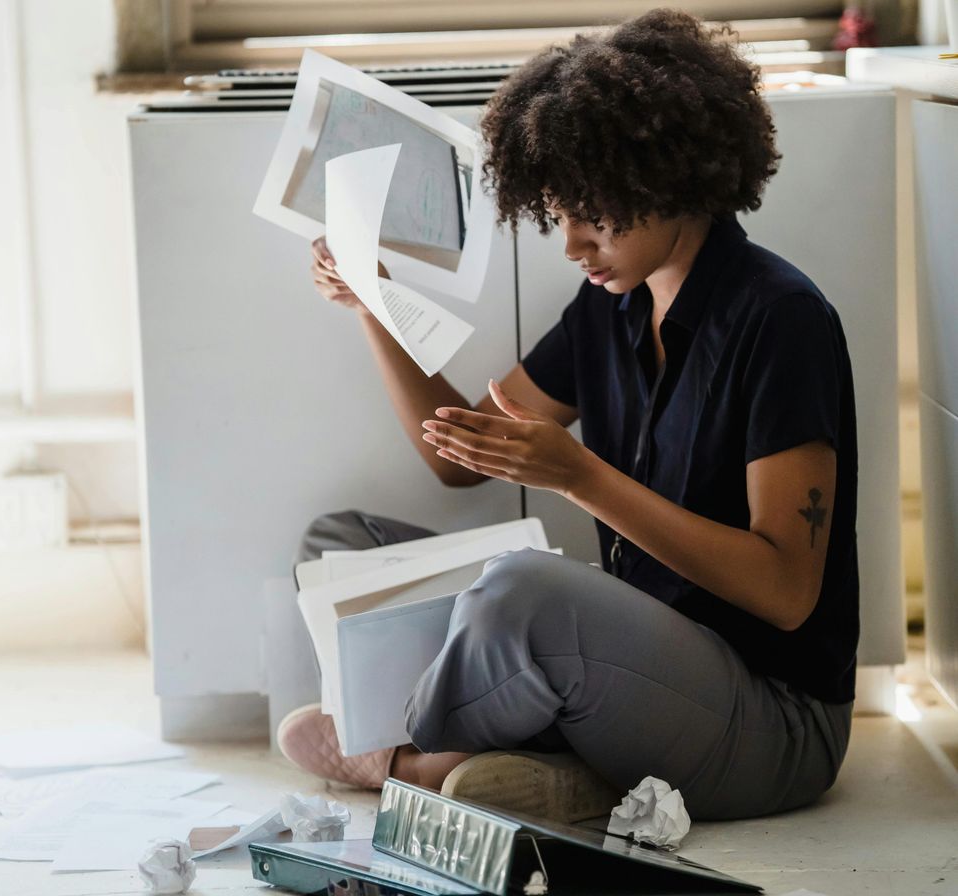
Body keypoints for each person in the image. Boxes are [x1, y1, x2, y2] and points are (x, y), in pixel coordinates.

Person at [278, 8, 858, 822]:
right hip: (641, 666)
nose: (573, 245)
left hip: (772, 724)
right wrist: (372, 299)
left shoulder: (780, 318)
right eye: (559, 214)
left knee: (524, 591)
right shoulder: (608, 311)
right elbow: (457, 454)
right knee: (338, 547)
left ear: (672, 176)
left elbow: (789, 591)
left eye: (595, 212)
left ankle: (409, 753)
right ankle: (563, 765)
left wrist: (582, 477)